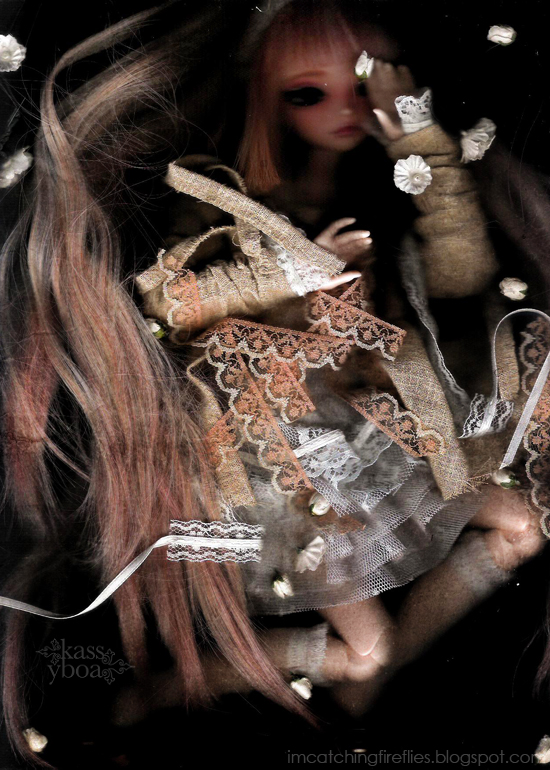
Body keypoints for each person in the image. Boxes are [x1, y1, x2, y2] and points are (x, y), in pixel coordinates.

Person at [0, 0, 547, 763]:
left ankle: (357, 697)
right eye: (308, 93)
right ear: (267, 98)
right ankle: (164, 693)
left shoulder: (380, 193)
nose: (345, 109)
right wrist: (288, 271)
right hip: (278, 469)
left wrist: (420, 143)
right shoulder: (219, 194)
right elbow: (167, 303)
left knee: (522, 524)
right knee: (366, 651)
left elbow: (465, 273)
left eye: (368, 84)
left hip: (375, 434)